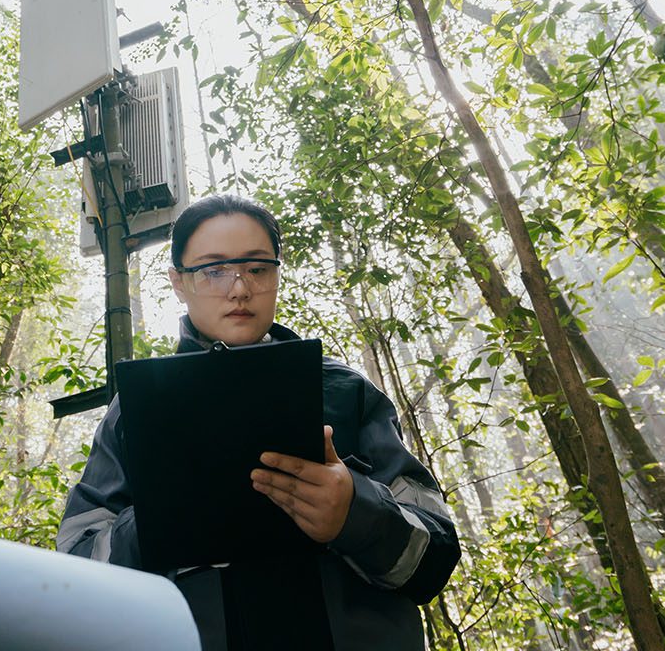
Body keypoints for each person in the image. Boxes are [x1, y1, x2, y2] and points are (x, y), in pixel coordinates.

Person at [56, 194, 460, 650]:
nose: (239, 289)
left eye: (257, 268)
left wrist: (354, 512)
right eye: (213, 269)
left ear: (276, 276)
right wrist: (161, 517)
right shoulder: (135, 410)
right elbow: (77, 564)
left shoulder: (346, 392)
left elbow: (435, 559)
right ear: (177, 282)